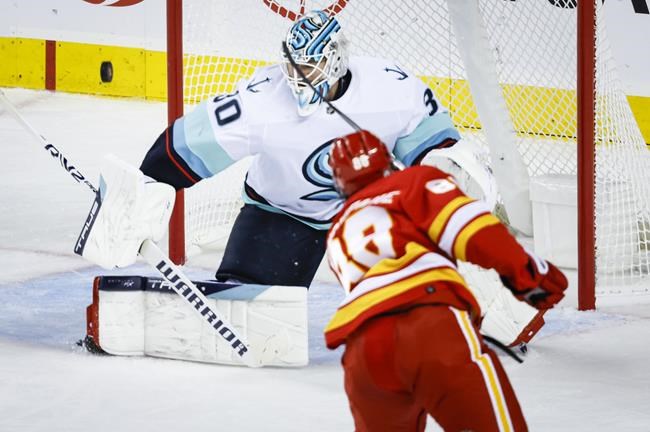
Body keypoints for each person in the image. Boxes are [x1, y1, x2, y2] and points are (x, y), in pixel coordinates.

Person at [138, 10, 460, 287]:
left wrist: (450, 195)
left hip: (367, 213)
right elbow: (189, 143)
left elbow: (438, 150)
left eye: (309, 67)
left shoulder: (389, 87)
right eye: (292, 66)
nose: (296, 76)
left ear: (335, 61)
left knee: (419, 299)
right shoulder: (263, 100)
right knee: (251, 310)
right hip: (282, 212)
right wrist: (145, 188)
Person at [324, 130, 568, 431]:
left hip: (362, 353)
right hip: (429, 326)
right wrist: (530, 275)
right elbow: (472, 230)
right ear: (388, 162)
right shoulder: (414, 180)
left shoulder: (337, 231)